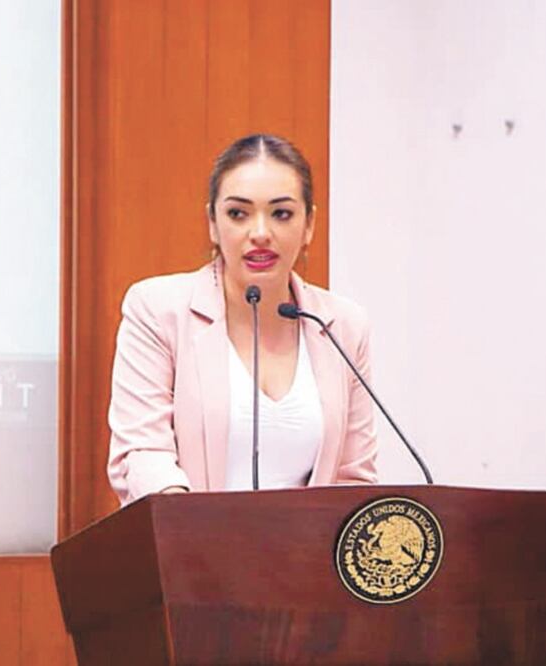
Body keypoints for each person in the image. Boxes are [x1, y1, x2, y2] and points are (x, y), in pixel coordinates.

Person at [107, 134, 377, 506]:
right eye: (238, 214)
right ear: (213, 223)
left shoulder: (343, 326)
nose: (260, 233)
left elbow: (354, 478)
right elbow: (142, 451)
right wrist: (190, 529)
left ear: (309, 224)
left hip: (305, 546)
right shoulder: (158, 310)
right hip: (189, 538)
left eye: (281, 214)